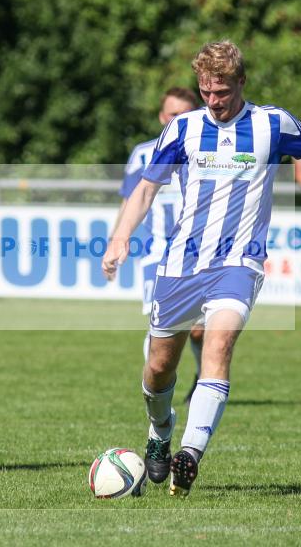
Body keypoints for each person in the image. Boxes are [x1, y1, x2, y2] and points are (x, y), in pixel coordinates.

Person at [102, 40, 301, 497]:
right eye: (207, 92)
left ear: (241, 83)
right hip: (180, 264)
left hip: (240, 262)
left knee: (220, 342)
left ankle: (189, 455)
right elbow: (146, 189)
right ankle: (160, 433)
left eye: (223, 92)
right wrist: (121, 237)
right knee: (158, 368)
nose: (214, 101)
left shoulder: (273, 123)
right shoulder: (183, 130)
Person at [117, 88, 204, 406]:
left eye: (184, 114)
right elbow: (131, 200)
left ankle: (200, 375)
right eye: (171, 114)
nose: (176, 120)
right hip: (157, 253)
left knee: (197, 330)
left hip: (199, 252)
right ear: (161, 117)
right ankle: (156, 387)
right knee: (159, 324)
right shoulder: (143, 153)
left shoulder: (205, 151)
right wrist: (117, 240)